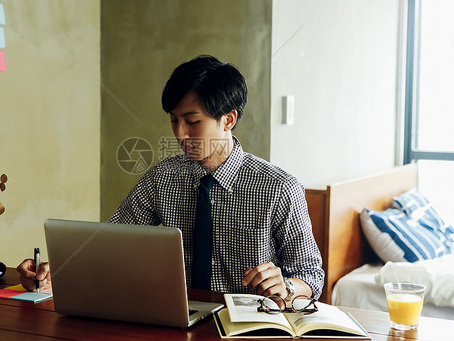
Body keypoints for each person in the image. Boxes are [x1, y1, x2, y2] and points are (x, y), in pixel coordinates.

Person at [18, 55, 324, 301]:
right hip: (174, 323)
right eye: (174, 121)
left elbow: (311, 275)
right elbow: (112, 246)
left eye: (192, 122)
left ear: (228, 119)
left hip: (246, 327)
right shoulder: (162, 179)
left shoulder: (279, 187)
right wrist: (57, 272)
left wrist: (286, 286)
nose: (180, 134)